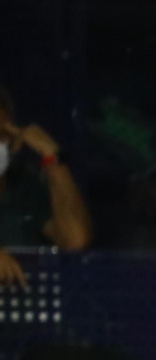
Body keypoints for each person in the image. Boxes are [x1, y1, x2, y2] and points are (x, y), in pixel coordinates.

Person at [0, 84, 92, 286]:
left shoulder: (27, 186)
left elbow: (75, 240)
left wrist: (52, 157)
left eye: (1, 134)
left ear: (12, 140)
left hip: (24, 313)